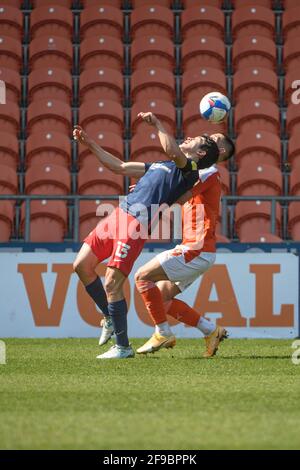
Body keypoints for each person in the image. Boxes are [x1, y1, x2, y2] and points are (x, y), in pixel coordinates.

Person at [73, 112, 221, 359]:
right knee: (81, 265)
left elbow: (173, 151)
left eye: (196, 139)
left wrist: (159, 124)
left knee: (112, 282)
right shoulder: (163, 165)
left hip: (136, 224)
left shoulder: (190, 171)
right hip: (119, 214)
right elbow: (118, 166)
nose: (188, 137)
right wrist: (89, 144)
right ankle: (109, 316)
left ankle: (122, 347)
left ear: (201, 154)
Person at [134, 134, 235, 358]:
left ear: (218, 152)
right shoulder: (199, 171)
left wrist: (149, 192)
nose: (210, 137)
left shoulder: (208, 172)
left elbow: (179, 196)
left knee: (142, 277)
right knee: (162, 299)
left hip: (195, 249)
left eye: (216, 139)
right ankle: (211, 331)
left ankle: (162, 333)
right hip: (198, 249)